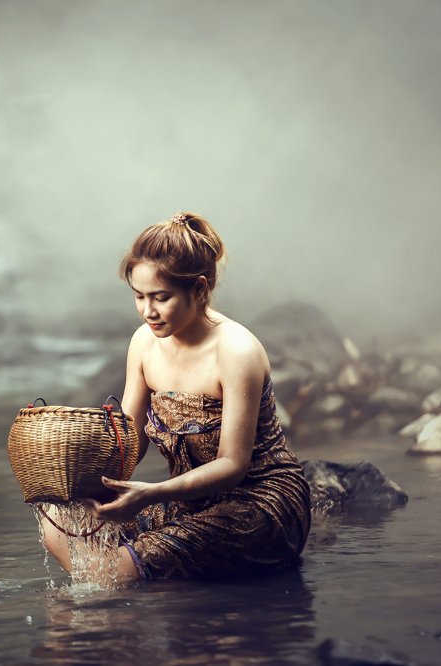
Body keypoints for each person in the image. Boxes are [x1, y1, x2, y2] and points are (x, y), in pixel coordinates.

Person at [41, 212, 311, 584]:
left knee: (110, 573)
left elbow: (233, 463)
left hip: (258, 504)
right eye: (139, 296)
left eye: (161, 298)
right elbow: (127, 440)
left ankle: (110, 586)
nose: (148, 311)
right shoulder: (143, 343)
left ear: (199, 290)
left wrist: (150, 495)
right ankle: (108, 588)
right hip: (187, 500)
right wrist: (87, 488)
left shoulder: (237, 352)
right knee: (57, 524)